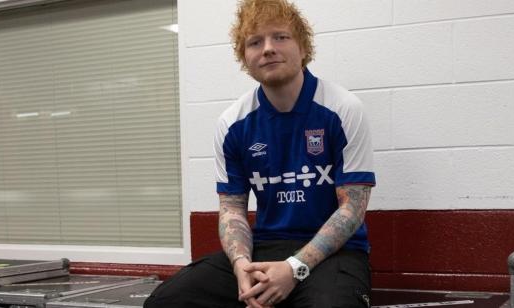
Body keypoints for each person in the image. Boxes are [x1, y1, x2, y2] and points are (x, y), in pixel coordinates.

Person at [144, 0, 375, 307]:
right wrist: (241, 266)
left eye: (280, 37)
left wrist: (294, 268)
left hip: (335, 254)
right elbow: (232, 209)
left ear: (303, 48)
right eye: (255, 42)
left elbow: (353, 208)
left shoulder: (343, 109)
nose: (267, 48)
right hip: (264, 248)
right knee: (167, 301)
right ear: (245, 57)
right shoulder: (232, 123)